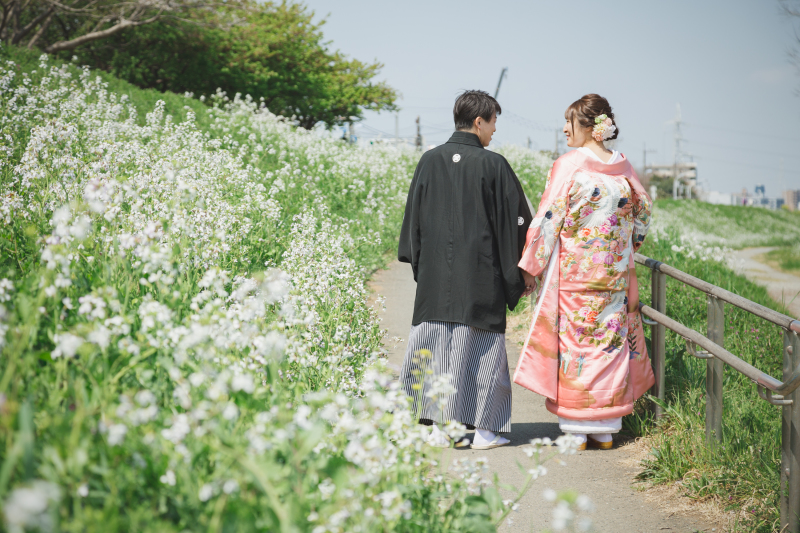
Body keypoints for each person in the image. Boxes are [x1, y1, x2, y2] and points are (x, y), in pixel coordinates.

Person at [513, 94, 654, 451]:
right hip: (614, 279)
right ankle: (606, 429)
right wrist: (622, 249)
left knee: (576, 349)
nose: (564, 128)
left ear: (591, 127)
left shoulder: (570, 165)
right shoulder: (623, 169)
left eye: (569, 121)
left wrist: (531, 266)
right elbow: (643, 215)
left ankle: (576, 430)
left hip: (574, 277)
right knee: (609, 347)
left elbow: (548, 218)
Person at [398, 90, 533, 450]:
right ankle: (486, 432)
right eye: (492, 123)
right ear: (478, 122)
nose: (493, 132)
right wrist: (520, 272)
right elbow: (518, 222)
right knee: (480, 351)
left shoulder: (429, 160)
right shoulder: (494, 164)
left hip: (434, 281)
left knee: (434, 346)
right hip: (480, 277)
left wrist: (422, 266)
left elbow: (413, 224)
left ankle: (439, 428)